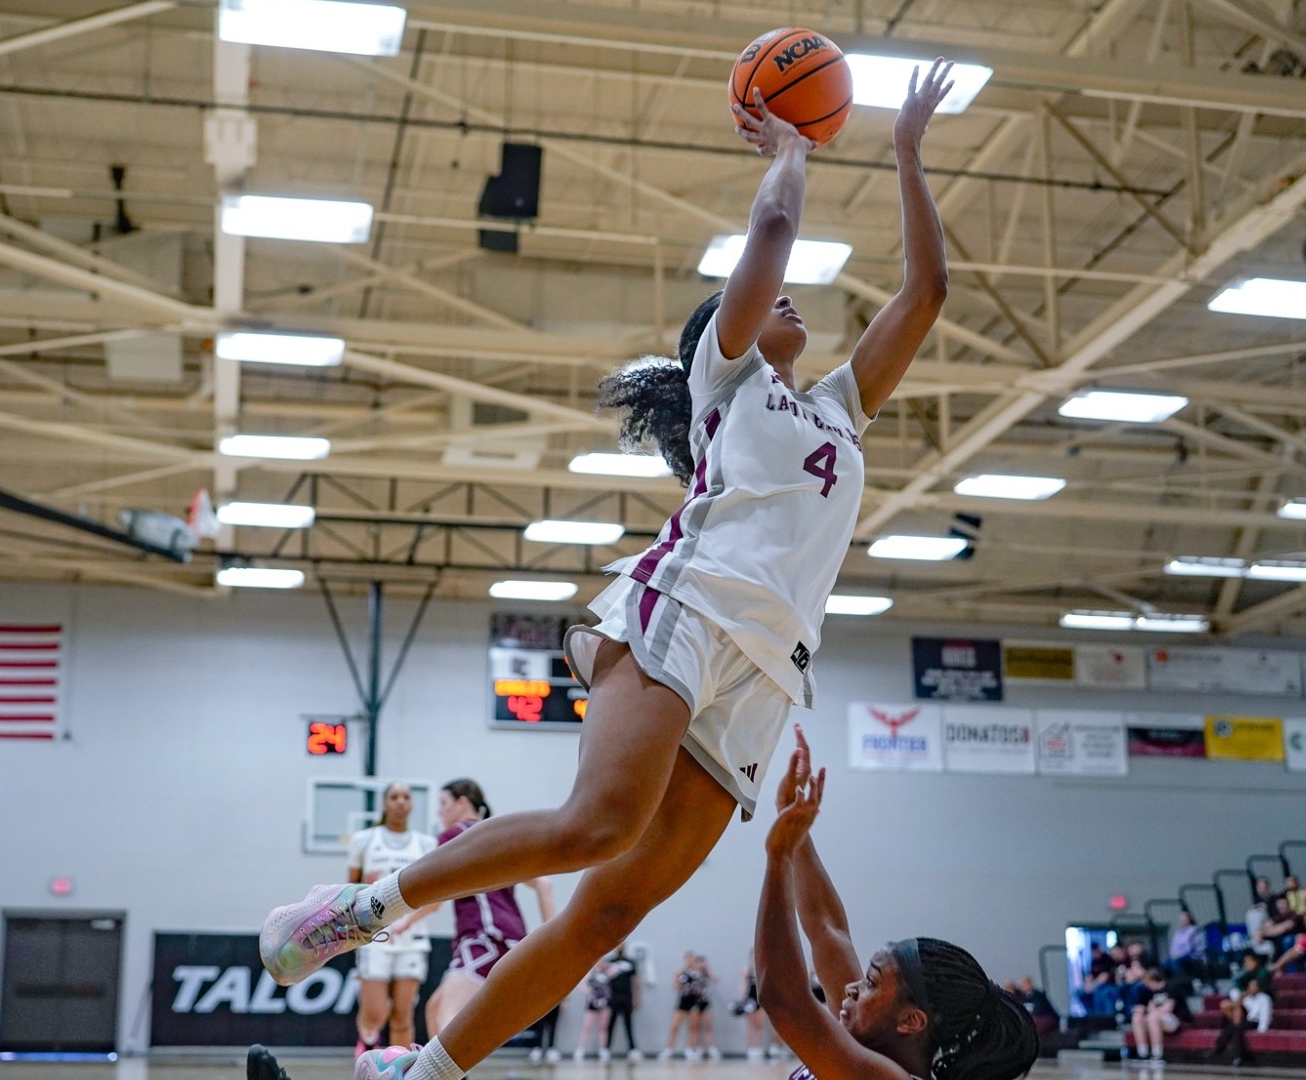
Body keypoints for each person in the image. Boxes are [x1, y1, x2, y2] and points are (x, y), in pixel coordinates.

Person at [259, 61, 960, 1080]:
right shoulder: (728, 381)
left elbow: (928, 292)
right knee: (599, 825)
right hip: (691, 605)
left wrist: (906, 153)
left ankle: (423, 1071)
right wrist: (792, 152)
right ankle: (353, 910)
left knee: (610, 913)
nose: (793, 299)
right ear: (722, 339)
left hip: (766, 676)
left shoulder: (840, 411)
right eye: (772, 303)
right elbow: (768, 239)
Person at [752, 725, 1038, 1080]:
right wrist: (795, 829)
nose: (853, 987)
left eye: (871, 983)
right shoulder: (862, 1041)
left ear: (911, 1020)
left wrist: (778, 855)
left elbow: (784, 1000)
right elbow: (827, 929)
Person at [250, 781, 553, 1080]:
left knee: (446, 1019)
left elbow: (437, 889)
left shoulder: (456, 835)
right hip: (502, 935)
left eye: (443, 803)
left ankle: (360, 913)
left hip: (483, 935)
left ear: (462, 803)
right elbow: (545, 884)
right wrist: (549, 936)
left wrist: (385, 911)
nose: (440, 812)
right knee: (433, 1012)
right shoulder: (498, 839)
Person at [347, 783, 439, 1056]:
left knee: (402, 1014)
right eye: (394, 797)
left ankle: (399, 1066)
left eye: (406, 797)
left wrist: (407, 922)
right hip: (375, 937)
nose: (400, 801)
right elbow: (348, 893)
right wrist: (366, 885)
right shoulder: (364, 840)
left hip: (411, 939)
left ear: (412, 804)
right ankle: (367, 1048)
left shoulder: (426, 844)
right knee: (375, 1013)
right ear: (385, 803)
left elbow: (436, 898)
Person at [1212, 954, 1271, 1066]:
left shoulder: (1264, 997)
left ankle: (1236, 1055)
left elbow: (1264, 1015)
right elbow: (1237, 984)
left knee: (1236, 1029)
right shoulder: (1246, 995)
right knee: (1232, 1027)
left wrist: (1262, 1029)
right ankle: (1228, 1051)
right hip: (1248, 1017)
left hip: (1254, 1020)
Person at [1129, 968, 1189, 1064]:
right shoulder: (1149, 992)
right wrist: (1140, 1011)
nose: (1147, 985)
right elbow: (1146, 1007)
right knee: (1136, 1019)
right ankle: (1142, 1053)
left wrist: (1152, 1012)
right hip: (1157, 1018)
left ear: (1154, 980)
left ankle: (1157, 1054)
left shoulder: (1171, 987)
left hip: (1175, 1019)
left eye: (1148, 983)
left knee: (1152, 1017)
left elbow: (1167, 1008)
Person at [667, 950, 713, 1059]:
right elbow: (675, 987)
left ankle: (691, 1048)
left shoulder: (699, 973)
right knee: (675, 1025)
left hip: (695, 1001)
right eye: (688, 959)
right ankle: (669, 1049)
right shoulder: (681, 972)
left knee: (693, 1026)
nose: (690, 962)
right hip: (684, 1000)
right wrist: (677, 978)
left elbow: (704, 986)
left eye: (692, 959)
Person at [604, 944, 643, 1060]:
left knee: (628, 1023)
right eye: (618, 945)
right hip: (613, 996)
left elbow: (635, 980)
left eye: (622, 945)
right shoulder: (610, 962)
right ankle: (606, 1048)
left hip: (627, 996)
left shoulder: (630, 962)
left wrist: (636, 997)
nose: (620, 947)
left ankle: (632, 1049)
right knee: (611, 1023)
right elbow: (604, 979)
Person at [575, 960, 612, 1062]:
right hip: (593, 1002)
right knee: (587, 1026)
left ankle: (603, 1050)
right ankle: (580, 1050)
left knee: (603, 1028)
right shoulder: (591, 972)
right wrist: (588, 993)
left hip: (604, 1002)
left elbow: (615, 972)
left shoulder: (607, 971)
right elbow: (580, 984)